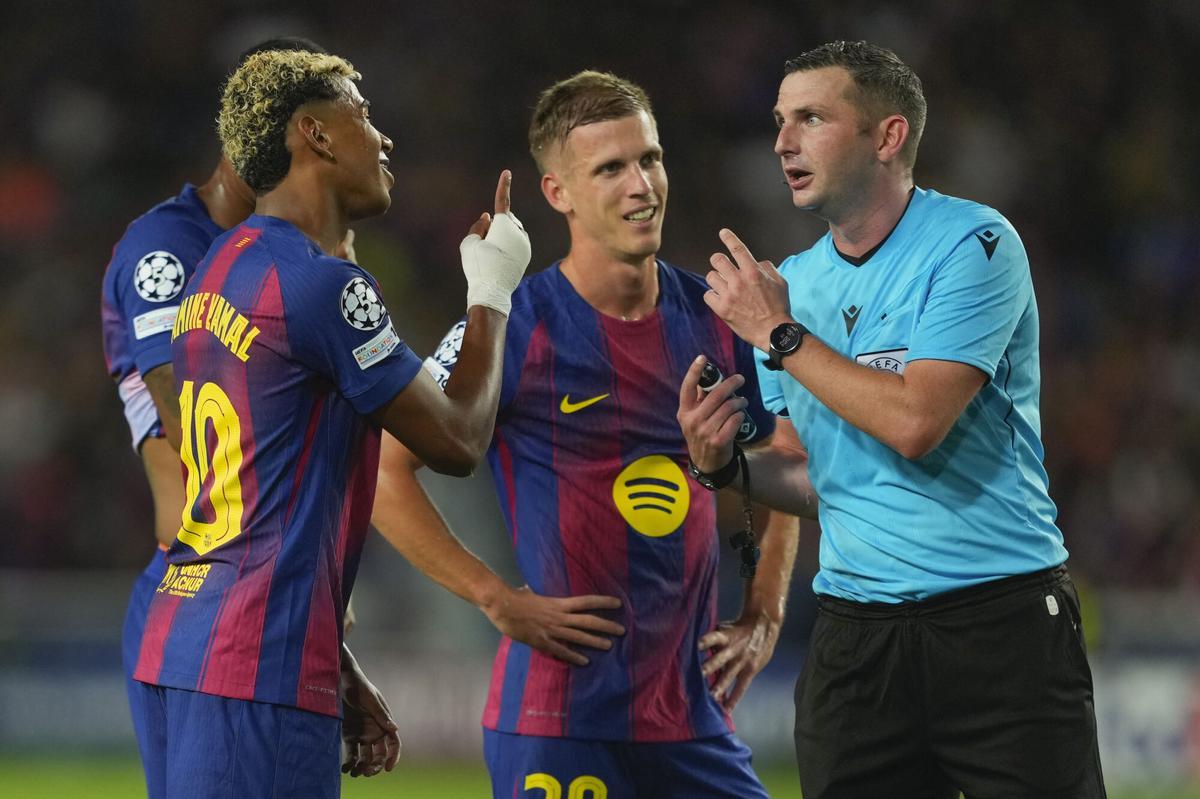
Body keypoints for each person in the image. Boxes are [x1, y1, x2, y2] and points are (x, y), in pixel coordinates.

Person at [678, 40, 1106, 798]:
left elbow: (916, 423)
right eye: (780, 120)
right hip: (856, 640)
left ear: (888, 136)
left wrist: (780, 335)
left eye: (811, 118)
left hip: (998, 626)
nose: (782, 141)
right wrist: (726, 466)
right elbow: (811, 475)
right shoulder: (793, 284)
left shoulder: (974, 244)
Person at [373, 71, 804, 799]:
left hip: (692, 716)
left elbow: (781, 456)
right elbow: (386, 470)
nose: (642, 185)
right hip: (559, 719)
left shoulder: (721, 317)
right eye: (610, 169)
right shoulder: (514, 326)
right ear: (558, 193)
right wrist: (492, 595)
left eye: (650, 159)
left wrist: (765, 612)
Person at [129, 48, 531, 798]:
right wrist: (493, 288)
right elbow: (458, 440)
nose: (383, 138)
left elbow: (254, 482)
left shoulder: (217, 270)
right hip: (257, 668)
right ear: (314, 134)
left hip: (195, 645)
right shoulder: (320, 285)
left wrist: (331, 659)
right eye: (364, 116)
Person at [99, 36, 399, 792]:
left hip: (257, 605)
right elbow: (195, 431)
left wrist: (318, 633)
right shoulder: (170, 249)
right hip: (207, 590)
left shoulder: (287, 261)